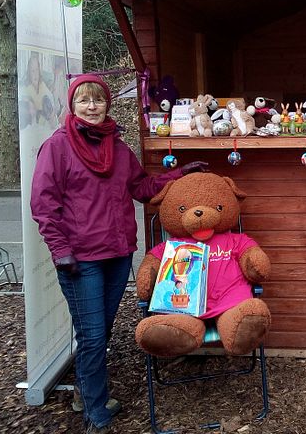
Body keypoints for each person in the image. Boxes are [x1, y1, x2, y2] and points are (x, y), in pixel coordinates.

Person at [31, 74, 207, 434]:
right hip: (80, 260)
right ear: (73, 105)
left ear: (107, 103)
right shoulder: (57, 147)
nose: (92, 106)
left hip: (117, 254)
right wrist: (61, 250)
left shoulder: (119, 148)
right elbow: (43, 205)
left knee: (101, 331)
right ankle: (95, 408)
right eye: (84, 100)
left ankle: (84, 390)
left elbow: (140, 187)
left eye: (98, 99)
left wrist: (175, 177)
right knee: (93, 335)